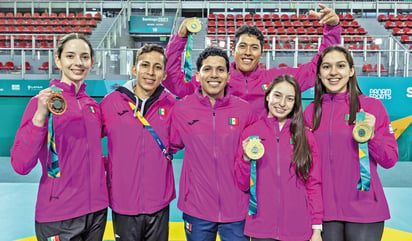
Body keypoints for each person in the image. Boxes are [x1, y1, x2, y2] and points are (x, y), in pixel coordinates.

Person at [10, 33, 109, 241]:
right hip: (59, 213)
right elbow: (21, 164)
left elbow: (88, 155)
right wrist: (39, 117)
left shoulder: (92, 105)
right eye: (70, 56)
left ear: (91, 62)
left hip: (97, 211)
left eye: (84, 57)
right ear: (58, 60)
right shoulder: (41, 103)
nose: (78, 63)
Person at [163, 4, 341, 116]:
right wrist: (180, 38)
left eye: (254, 48)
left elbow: (315, 69)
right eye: (242, 46)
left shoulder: (276, 80)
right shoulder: (214, 80)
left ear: (261, 53)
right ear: (233, 50)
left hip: (265, 160)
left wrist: (332, 30)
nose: (248, 52)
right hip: (225, 158)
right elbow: (174, 83)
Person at [303, 45, 399, 241]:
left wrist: (372, 136)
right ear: (319, 73)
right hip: (325, 210)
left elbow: (389, 160)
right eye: (327, 67)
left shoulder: (372, 106)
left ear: (351, 70)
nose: (333, 72)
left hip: (364, 208)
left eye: (340, 66)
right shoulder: (310, 112)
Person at [169, 47, 257, 241]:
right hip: (196, 208)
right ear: (198, 76)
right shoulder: (182, 109)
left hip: (236, 210)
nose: (214, 75)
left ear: (228, 76)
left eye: (220, 69)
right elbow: (169, 145)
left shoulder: (245, 111)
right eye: (207, 69)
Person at [100, 44, 177, 241]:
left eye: (157, 67)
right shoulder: (110, 103)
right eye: (145, 65)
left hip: (159, 203)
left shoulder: (173, 105)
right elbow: (86, 142)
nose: (150, 72)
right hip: (123, 202)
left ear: (164, 75)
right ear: (134, 69)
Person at [235, 74, 322, 241]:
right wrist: (245, 159)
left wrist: (317, 229)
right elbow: (242, 183)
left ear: (295, 103)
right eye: (277, 95)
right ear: (267, 96)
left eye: (289, 98)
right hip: (261, 227)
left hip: (298, 228)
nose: (282, 103)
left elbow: (313, 184)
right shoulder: (251, 133)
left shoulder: (306, 137)